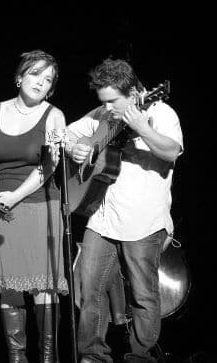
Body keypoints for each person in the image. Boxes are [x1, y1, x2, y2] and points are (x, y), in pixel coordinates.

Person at [67, 58, 183, 362]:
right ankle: (92, 355)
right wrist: (76, 148)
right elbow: (67, 134)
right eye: (102, 102)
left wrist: (142, 127)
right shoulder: (104, 114)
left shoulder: (160, 112)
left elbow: (172, 151)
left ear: (133, 93)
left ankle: (140, 357)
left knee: (143, 296)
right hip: (102, 217)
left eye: (112, 101)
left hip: (143, 220)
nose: (107, 108)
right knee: (88, 287)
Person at [0, 50, 68, 363]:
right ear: (20, 76)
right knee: (10, 288)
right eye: (36, 74)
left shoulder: (54, 115)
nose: (41, 82)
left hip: (38, 206)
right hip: (1, 210)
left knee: (42, 287)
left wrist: (15, 196)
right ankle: (16, 357)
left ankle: (48, 358)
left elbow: (48, 168)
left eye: (48, 79)